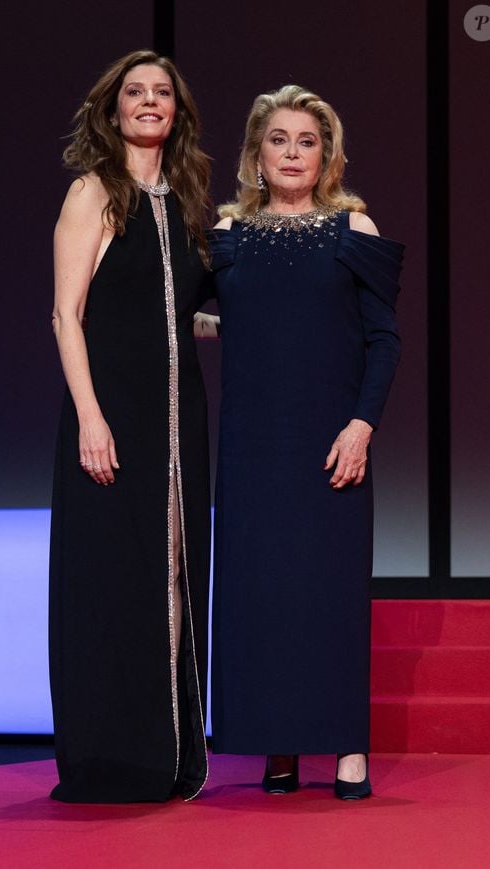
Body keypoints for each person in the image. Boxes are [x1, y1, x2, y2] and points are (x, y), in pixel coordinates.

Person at [209, 85, 403, 799]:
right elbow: (191, 312)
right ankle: (280, 747)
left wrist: (361, 425)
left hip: (332, 440)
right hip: (253, 446)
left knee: (330, 596)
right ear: (256, 156)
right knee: (263, 595)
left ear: (327, 156)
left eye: (307, 141)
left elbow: (384, 341)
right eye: (279, 140)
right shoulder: (225, 239)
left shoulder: (355, 227)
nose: (293, 153)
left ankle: (349, 749)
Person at [49, 50, 212, 803]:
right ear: (112, 109)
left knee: (171, 575)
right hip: (111, 419)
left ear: (176, 112)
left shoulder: (180, 197)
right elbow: (66, 314)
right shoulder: (96, 192)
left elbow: (183, 316)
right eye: (135, 92)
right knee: (114, 581)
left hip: (177, 426)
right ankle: (114, 756)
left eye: (163, 94)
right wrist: (90, 416)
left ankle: (170, 753)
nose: (150, 102)